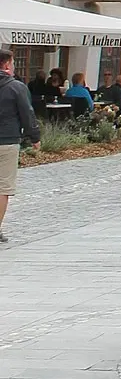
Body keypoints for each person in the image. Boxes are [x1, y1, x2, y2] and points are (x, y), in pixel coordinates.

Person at [0, 49, 40, 242]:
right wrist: (34, 137)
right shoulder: (16, 87)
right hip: (7, 141)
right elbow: (27, 113)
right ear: (7, 64)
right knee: (3, 187)